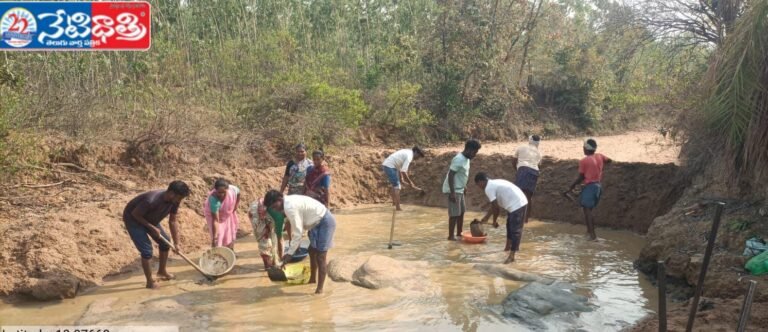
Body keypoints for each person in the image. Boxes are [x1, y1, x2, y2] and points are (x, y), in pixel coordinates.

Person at [264, 191, 337, 294]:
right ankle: (312, 280)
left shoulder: (290, 207)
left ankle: (319, 291)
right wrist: (291, 250)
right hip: (315, 223)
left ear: (279, 200)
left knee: (321, 257)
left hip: (324, 222)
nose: (275, 210)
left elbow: (298, 233)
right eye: (273, 208)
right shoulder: (286, 203)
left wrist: (289, 254)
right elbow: (297, 229)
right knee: (311, 251)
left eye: (275, 206)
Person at [122, 181, 191, 289]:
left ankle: (162, 272)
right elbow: (135, 214)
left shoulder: (175, 201)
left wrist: (177, 243)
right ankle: (150, 282)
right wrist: (151, 227)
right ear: (171, 193)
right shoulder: (151, 200)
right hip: (134, 220)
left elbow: (173, 221)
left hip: (150, 218)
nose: (179, 201)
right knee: (147, 251)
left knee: (165, 242)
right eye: (179, 198)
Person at [474, 172, 528, 264]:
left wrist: (494, 221)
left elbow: (496, 207)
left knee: (515, 231)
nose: (479, 187)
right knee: (509, 227)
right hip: (518, 202)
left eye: (478, 185)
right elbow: (493, 205)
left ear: (480, 182)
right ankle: (507, 249)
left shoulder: (488, 188)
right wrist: (486, 218)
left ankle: (512, 256)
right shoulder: (493, 183)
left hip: (517, 204)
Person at [565, 138, 612, 241]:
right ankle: (588, 233)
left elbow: (580, 177)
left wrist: (571, 187)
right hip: (598, 187)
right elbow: (609, 160)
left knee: (587, 211)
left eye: (583, 147)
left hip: (590, 187)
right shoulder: (600, 156)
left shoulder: (584, 161)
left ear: (586, 149)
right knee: (588, 210)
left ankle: (593, 236)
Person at [442, 139, 481, 240]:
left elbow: (462, 174)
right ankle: (451, 236)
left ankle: (459, 233)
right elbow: (451, 175)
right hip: (454, 189)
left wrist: (464, 186)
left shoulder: (466, 159)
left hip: (459, 188)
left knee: (461, 212)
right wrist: (452, 192)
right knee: (454, 214)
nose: (475, 155)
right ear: (469, 149)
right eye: (474, 152)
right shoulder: (459, 159)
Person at [381, 146, 425, 211]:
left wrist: (401, 178)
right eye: (418, 156)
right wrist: (410, 182)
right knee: (397, 186)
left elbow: (399, 163)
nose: (418, 158)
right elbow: (404, 171)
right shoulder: (409, 156)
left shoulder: (407, 152)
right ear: (415, 152)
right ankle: (398, 208)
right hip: (389, 166)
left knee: (395, 185)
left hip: (390, 165)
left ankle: (394, 203)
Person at [204, 178, 241, 250]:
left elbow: (238, 193)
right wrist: (214, 238)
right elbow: (216, 220)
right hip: (214, 216)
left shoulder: (232, 190)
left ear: (227, 189)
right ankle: (217, 254)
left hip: (227, 213)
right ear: (215, 190)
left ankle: (230, 252)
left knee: (230, 231)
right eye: (219, 192)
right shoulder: (213, 199)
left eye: (223, 192)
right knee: (218, 235)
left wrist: (236, 205)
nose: (221, 195)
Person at [512, 135, 542, 224]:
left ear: (529, 140)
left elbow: (513, 161)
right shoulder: (539, 153)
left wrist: (517, 170)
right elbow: (539, 165)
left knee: (518, 194)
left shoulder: (521, 147)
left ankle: (516, 217)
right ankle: (526, 220)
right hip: (534, 172)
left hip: (523, 170)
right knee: (528, 197)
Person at [249, 198, 276, 269]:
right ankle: (268, 266)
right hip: (259, 217)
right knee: (265, 243)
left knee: (269, 241)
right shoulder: (263, 211)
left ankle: (270, 263)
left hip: (261, 217)